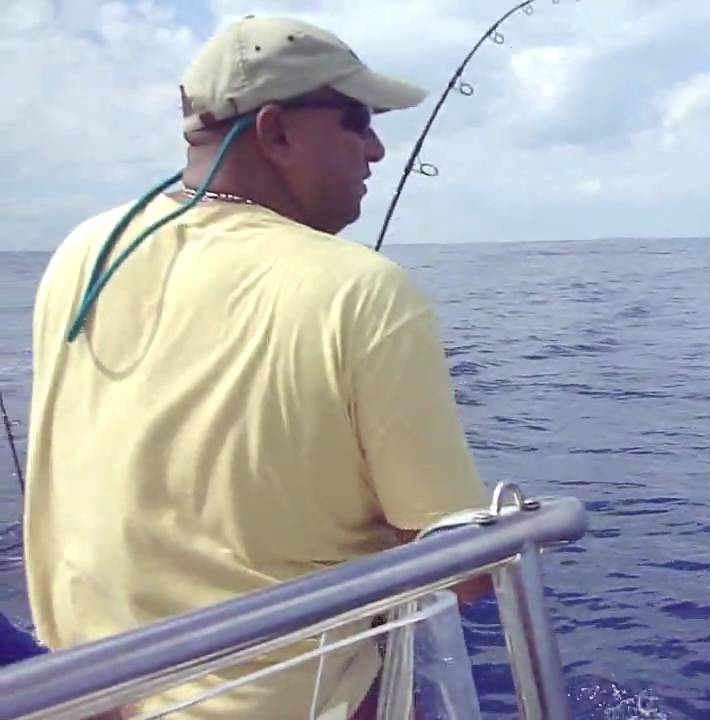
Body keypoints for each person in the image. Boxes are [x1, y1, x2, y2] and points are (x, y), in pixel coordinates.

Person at [23, 16, 490, 718]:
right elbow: (465, 572)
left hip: (85, 695)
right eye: (355, 120)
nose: (376, 148)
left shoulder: (85, 251)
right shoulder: (364, 290)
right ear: (274, 132)